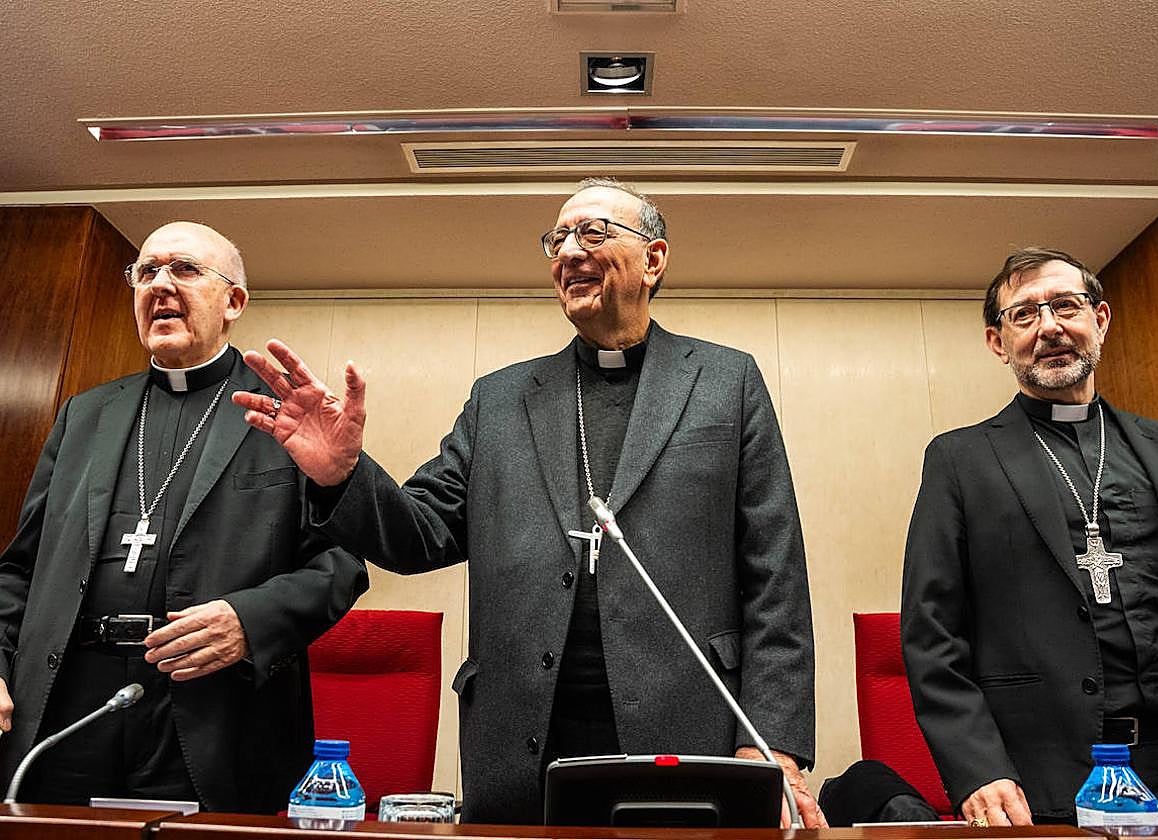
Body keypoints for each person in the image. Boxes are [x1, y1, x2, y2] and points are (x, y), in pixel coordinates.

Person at [234, 178, 823, 826]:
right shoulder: (502, 398)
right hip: (521, 738)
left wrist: (773, 745)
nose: (568, 251)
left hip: (688, 728)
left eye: (592, 232)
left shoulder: (725, 381)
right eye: (557, 238)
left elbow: (776, 578)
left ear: (654, 259)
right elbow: (421, 533)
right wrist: (343, 476)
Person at [0, 222, 367, 812]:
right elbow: (20, 569)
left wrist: (247, 620)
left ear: (234, 302)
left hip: (212, 705)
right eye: (146, 272)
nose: (160, 285)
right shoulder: (86, 414)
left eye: (185, 270)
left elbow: (342, 566)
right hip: (69, 700)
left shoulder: (288, 415)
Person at [902, 247, 1158, 825]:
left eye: (1066, 306)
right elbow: (932, 631)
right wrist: (978, 767)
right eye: (1024, 315)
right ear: (998, 341)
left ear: (1101, 320)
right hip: (1045, 771)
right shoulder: (960, 460)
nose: (1050, 328)